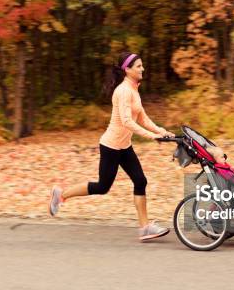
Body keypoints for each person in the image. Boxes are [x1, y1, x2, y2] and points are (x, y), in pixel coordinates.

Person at [48, 52, 176, 241]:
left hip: (124, 146)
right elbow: (126, 121)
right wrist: (152, 136)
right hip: (111, 146)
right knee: (102, 187)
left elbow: (141, 117)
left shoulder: (134, 89)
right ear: (127, 69)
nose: (143, 69)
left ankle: (145, 228)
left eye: (142, 65)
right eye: (139, 66)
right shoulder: (123, 91)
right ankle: (61, 195)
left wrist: (161, 131)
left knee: (140, 181)